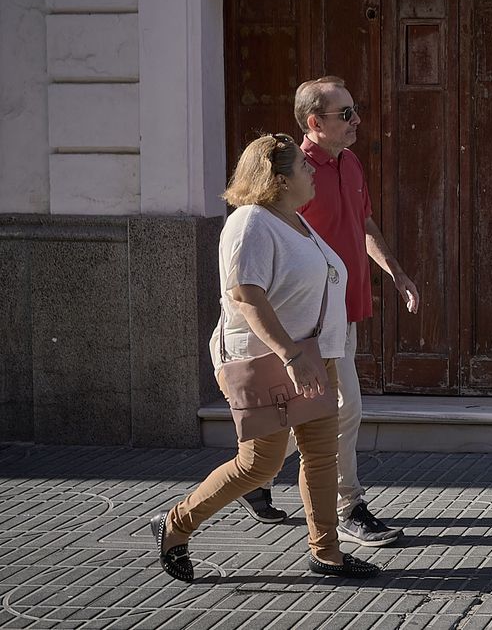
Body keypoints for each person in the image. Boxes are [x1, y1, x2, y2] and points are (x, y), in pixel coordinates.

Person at [153, 134, 379, 581]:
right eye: (303, 167)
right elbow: (246, 295)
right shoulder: (250, 223)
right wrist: (291, 355)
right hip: (268, 359)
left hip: (312, 355)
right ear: (277, 178)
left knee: (320, 455)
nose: (312, 172)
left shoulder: (292, 220)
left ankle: (326, 552)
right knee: (259, 463)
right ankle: (174, 525)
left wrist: (311, 354)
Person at [242, 76, 419, 546]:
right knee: (343, 409)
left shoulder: (351, 162)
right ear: (315, 122)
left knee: (308, 411)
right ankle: (348, 506)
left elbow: (362, 222)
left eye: (355, 109)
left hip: (344, 310)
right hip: (305, 316)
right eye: (346, 114)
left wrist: (395, 272)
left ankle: (257, 477)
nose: (357, 120)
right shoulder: (292, 174)